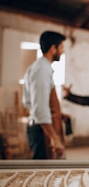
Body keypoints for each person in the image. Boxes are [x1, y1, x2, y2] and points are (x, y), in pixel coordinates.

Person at [22, 31, 66, 159]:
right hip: (42, 131)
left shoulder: (43, 68)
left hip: (43, 128)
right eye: (61, 48)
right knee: (43, 172)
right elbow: (40, 108)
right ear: (53, 49)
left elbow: (44, 102)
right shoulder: (41, 70)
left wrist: (59, 113)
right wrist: (54, 137)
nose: (62, 52)